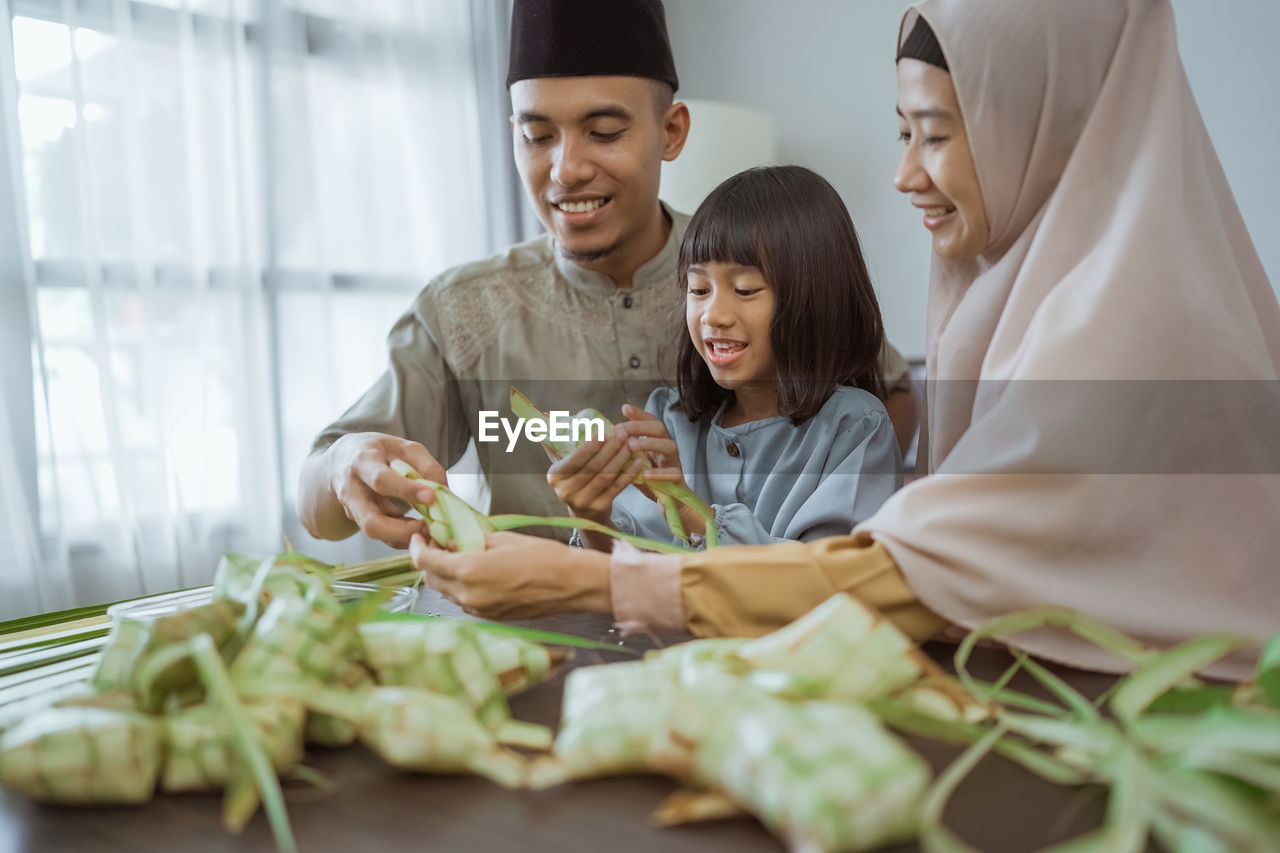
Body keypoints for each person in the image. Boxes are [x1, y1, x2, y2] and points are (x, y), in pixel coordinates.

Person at [412, 0, 1280, 680]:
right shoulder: (1013, 297)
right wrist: (600, 534)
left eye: (935, 134)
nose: (904, 174)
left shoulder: (1119, 333)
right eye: (905, 133)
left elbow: (896, 576)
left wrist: (585, 580)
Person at [297, 0, 918, 551]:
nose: (566, 170)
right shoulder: (462, 308)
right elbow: (318, 509)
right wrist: (344, 464)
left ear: (670, 131)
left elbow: (884, 397)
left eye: (604, 132)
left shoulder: (768, 266)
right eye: (536, 135)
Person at [553, 165, 901, 551]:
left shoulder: (854, 429)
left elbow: (828, 584)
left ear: (815, 298)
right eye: (699, 289)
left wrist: (689, 511)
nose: (713, 315)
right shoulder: (668, 421)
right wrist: (590, 514)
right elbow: (616, 580)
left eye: (745, 289)